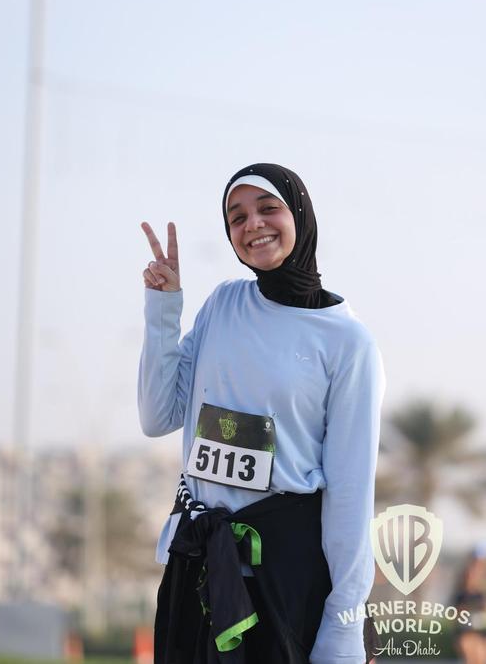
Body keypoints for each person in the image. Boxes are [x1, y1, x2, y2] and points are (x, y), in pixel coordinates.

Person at [138, 162, 386, 664]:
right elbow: (158, 415)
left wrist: (344, 622)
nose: (253, 224)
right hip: (199, 566)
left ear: (299, 215)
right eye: (237, 217)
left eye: (268, 208)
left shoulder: (348, 341)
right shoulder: (223, 304)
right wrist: (163, 308)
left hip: (284, 581)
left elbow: (351, 492)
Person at [453, 544, 486, 664]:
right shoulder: (461, 595)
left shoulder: (479, 594)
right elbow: (456, 614)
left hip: (478, 632)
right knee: (471, 659)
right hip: (466, 632)